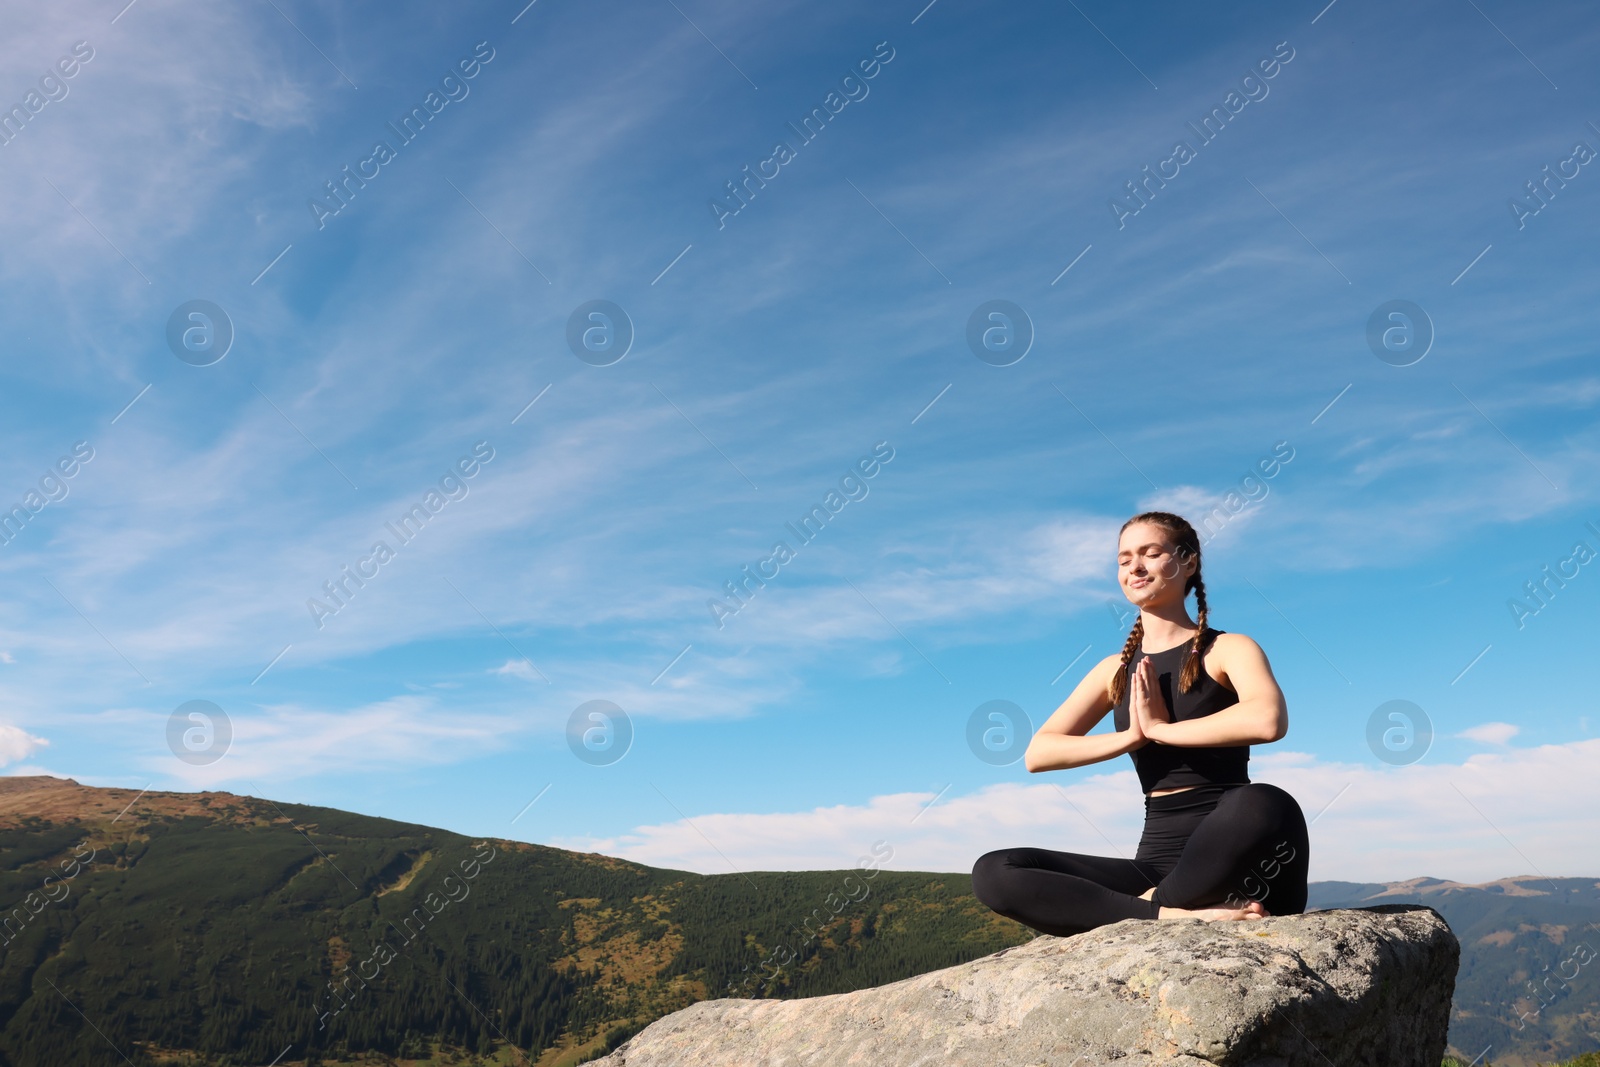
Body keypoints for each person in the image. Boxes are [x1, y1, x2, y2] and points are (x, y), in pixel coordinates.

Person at [971, 511, 1309, 936]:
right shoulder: (1113, 670)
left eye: (1151, 553)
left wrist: (1163, 731)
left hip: (1244, 860)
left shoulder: (1226, 649)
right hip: (1157, 863)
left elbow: (1268, 719)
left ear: (1188, 562)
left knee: (1265, 801)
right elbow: (1039, 753)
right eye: (1124, 558)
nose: (1135, 566)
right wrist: (1131, 736)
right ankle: (1166, 914)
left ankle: (1141, 909)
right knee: (995, 870)